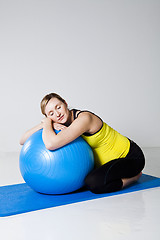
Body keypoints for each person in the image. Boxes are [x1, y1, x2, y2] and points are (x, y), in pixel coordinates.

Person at [20, 92, 145, 194]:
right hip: (106, 163)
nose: (57, 114)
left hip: (129, 157)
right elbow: (23, 140)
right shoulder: (58, 123)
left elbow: (51, 144)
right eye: (51, 113)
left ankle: (134, 177)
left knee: (94, 183)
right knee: (85, 182)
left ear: (65, 103)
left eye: (58, 107)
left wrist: (47, 123)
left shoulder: (84, 119)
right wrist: (48, 122)